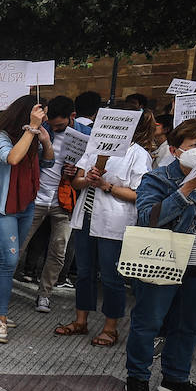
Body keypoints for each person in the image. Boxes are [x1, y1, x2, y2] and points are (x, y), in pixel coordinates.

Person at [125, 118, 196, 391]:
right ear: (175, 151)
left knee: (188, 326)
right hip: (163, 263)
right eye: (195, 145)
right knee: (148, 322)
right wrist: (186, 190)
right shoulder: (158, 179)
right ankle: (137, 376)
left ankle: (176, 379)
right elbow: (149, 217)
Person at [55, 108, 154, 347]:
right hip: (86, 218)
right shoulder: (94, 146)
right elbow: (77, 182)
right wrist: (86, 179)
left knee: (111, 277)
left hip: (115, 221)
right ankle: (81, 321)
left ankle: (110, 327)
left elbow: (140, 194)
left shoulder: (137, 154)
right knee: (84, 273)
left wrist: (106, 185)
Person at [0, 95, 54, 344]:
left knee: (2, 257)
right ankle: (1, 319)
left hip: (26, 205)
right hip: (2, 206)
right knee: (10, 260)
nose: (44, 119)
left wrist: (46, 140)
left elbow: (48, 161)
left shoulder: (33, 136)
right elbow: (12, 158)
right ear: (26, 114)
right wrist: (31, 129)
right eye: (41, 114)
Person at [14, 95, 90, 313]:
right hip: (37, 197)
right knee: (18, 244)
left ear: (73, 117)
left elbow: (92, 165)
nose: (55, 129)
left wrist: (76, 171)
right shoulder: (43, 129)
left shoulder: (87, 136)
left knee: (58, 250)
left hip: (65, 200)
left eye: (60, 125)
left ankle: (44, 294)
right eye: (52, 124)